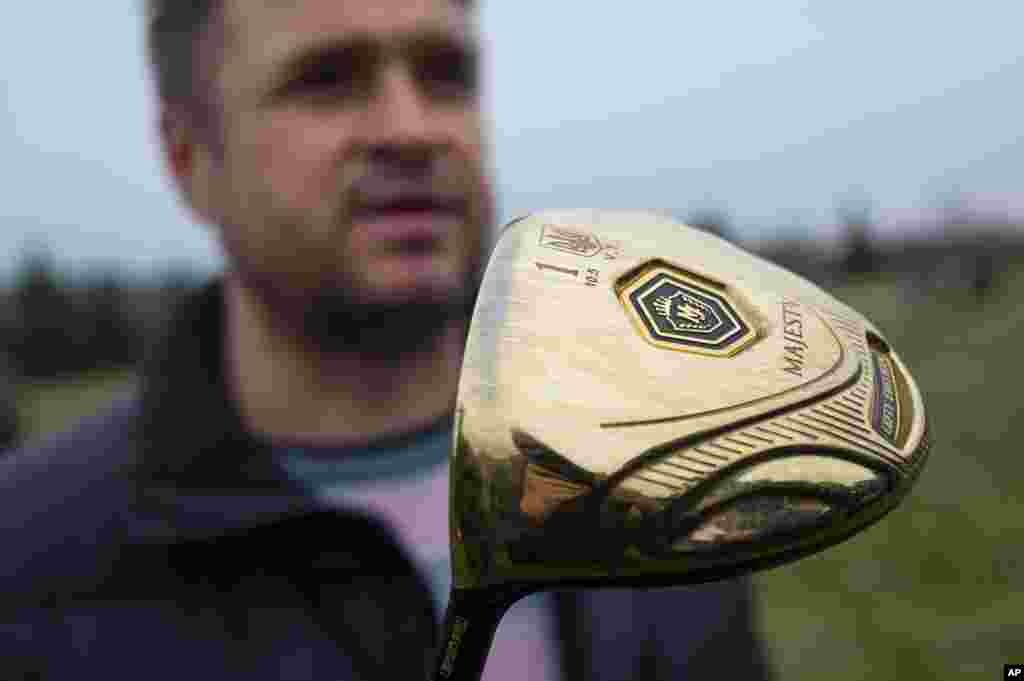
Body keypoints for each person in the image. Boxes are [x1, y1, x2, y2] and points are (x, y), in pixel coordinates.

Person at [0, 0, 776, 679]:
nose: (411, 129)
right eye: (325, 79)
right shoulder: (27, 568)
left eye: (446, 73)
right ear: (188, 158)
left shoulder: (655, 482)